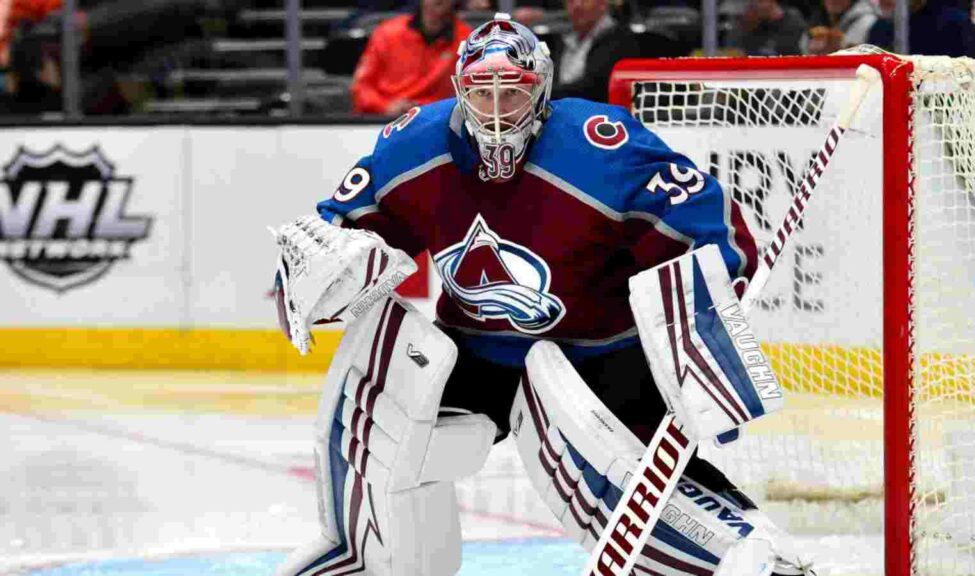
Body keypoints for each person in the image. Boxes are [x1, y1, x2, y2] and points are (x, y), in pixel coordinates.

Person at [271, 13, 815, 576]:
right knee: (384, 426)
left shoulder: (603, 146)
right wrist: (316, 277)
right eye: (483, 93)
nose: (499, 110)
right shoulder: (411, 147)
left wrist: (698, 322)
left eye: (516, 91)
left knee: (624, 480)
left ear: (544, 89)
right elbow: (335, 232)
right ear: (459, 91)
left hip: (599, 355)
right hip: (476, 351)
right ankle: (366, 558)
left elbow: (718, 234)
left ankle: (755, 557)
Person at [350, 0, 471, 116]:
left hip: (438, 119)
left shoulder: (466, 39)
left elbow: (471, 92)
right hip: (386, 118)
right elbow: (361, 87)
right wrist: (385, 106)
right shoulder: (387, 33)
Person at [547, 0, 640, 102]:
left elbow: (594, 88)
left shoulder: (620, 38)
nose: (577, 5)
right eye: (571, 1)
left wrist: (546, 92)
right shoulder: (563, 38)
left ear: (603, 4)